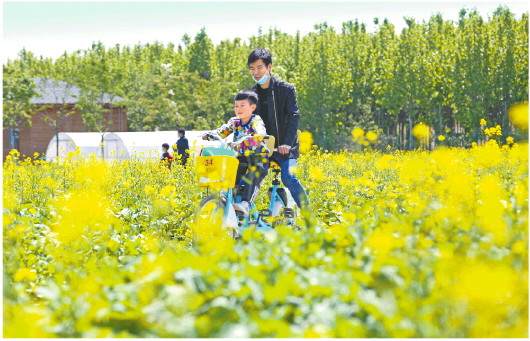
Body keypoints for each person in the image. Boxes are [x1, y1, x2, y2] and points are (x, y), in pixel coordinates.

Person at [247, 48, 310, 209]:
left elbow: (294, 116)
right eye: (252, 68)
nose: (256, 72)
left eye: (259, 67)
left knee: (288, 177)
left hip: (286, 147)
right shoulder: (251, 95)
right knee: (248, 177)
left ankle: (310, 218)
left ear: (269, 67)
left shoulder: (286, 90)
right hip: (263, 148)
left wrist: (287, 143)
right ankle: (242, 216)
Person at [203, 90, 269, 217]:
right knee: (231, 177)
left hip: (259, 157)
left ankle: (246, 204)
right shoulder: (234, 122)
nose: (238, 109)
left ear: (252, 107)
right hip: (242, 157)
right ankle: (229, 200)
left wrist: (258, 135)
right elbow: (222, 131)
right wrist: (211, 134)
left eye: (242, 105)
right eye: (236, 106)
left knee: (253, 177)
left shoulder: (255, 120)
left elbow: (260, 129)